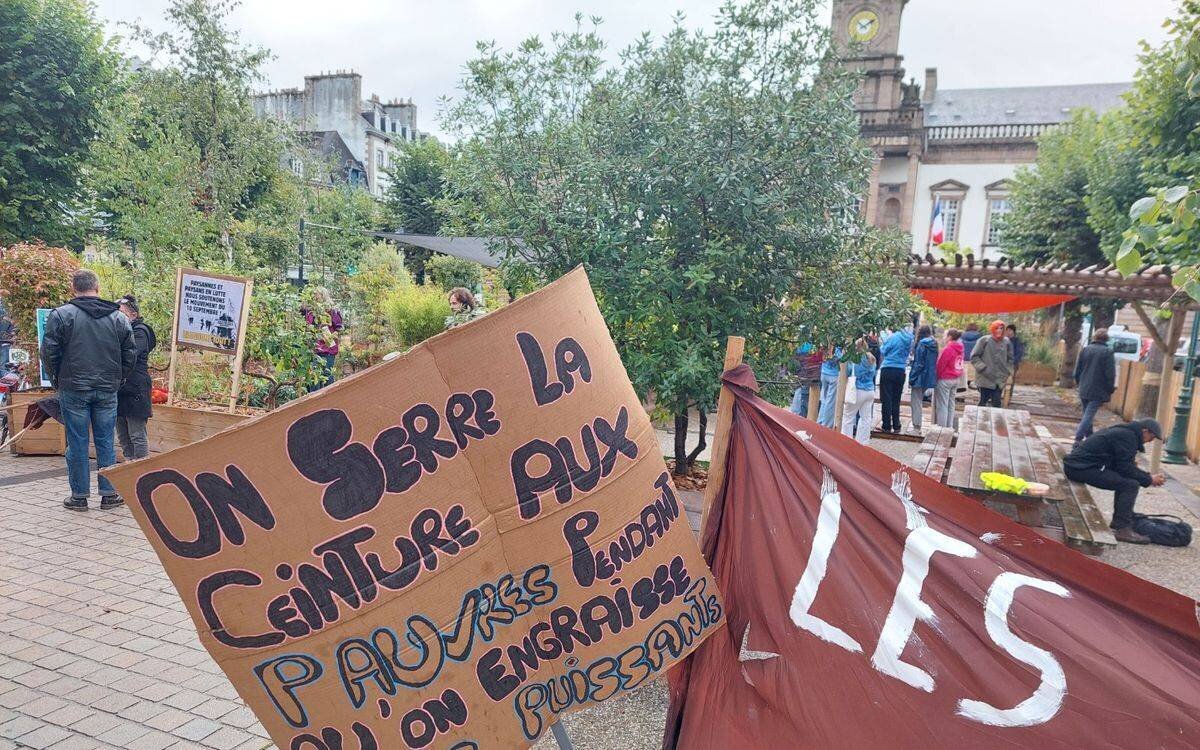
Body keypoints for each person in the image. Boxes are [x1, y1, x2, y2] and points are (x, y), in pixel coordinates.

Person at [41, 270, 135, 511]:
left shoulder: (61, 315)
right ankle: (109, 493)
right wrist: (119, 379)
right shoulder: (119, 318)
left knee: (77, 441)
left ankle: (79, 496)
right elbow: (130, 353)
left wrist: (57, 380)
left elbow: (49, 352)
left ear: (74, 288)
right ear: (98, 287)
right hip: (106, 388)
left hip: (73, 387)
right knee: (105, 440)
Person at [1063, 419, 1166, 544]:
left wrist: (1145, 475)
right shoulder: (1128, 437)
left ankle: (1123, 520)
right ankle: (1122, 528)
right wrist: (1149, 479)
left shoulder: (1125, 432)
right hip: (1080, 468)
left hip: (1078, 466)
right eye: (1152, 437)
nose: (1150, 441)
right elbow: (1125, 468)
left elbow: (1122, 465)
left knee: (1128, 482)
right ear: (1145, 431)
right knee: (1130, 485)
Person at [115, 296, 157, 461]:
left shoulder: (141, 332)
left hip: (136, 390)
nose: (117, 317)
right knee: (123, 435)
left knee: (137, 434)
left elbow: (131, 353)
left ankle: (142, 471)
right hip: (120, 389)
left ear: (133, 314)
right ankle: (129, 467)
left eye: (121, 313)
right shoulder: (118, 332)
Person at [1073, 328, 1117, 446]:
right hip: (1098, 390)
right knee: (1089, 414)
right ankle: (1078, 438)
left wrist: (1079, 382)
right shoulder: (1108, 352)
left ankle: (1090, 438)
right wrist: (1110, 388)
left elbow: (1077, 370)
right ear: (1106, 339)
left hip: (1084, 387)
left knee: (1087, 413)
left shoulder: (1085, 350)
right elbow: (1110, 374)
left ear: (1094, 337)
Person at [302, 287, 343, 391]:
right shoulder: (310, 312)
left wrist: (331, 337)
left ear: (323, 296)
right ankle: (313, 401)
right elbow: (307, 326)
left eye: (317, 294)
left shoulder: (332, 310)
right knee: (313, 376)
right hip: (314, 347)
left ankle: (329, 399)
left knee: (327, 375)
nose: (315, 297)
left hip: (328, 347)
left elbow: (339, 327)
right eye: (314, 295)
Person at [878, 325, 913, 434]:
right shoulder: (909, 338)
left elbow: (883, 350)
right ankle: (897, 425)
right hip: (900, 369)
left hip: (888, 368)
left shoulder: (892, 337)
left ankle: (886, 425)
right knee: (896, 399)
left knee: (886, 398)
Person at [841, 339, 877, 445]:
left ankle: (845, 442)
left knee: (848, 417)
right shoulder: (871, 358)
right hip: (870, 391)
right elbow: (874, 373)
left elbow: (847, 372)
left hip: (857, 390)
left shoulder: (854, 360)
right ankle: (862, 443)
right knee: (866, 418)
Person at [970, 320, 1013, 407]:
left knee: (996, 402)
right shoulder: (984, 340)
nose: (999, 330)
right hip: (984, 378)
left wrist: (1007, 371)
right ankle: (980, 419)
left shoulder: (1006, 342)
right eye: (996, 328)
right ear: (993, 329)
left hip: (999, 379)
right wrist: (983, 368)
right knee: (983, 401)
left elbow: (1010, 359)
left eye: (1001, 328)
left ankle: (996, 419)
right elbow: (974, 357)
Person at [907, 325, 938, 434]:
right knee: (919, 401)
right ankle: (918, 426)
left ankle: (916, 427)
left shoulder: (922, 344)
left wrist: (911, 378)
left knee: (916, 402)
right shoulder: (934, 344)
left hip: (919, 378)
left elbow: (918, 364)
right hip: (929, 377)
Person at [934, 329, 964, 427]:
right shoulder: (960, 349)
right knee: (951, 405)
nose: (943, 337)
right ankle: (949, 426)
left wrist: (936, 377)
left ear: (950, 337)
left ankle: (942, 429)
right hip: (955, 379)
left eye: (945, 335)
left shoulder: (948, 349)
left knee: (942, 405)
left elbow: (940, 365)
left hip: (945, 379)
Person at [789, 343, 824, 418]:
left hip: (807, 376)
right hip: (811, 376)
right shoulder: (816, 345)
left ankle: (797, 418)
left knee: (802, 397)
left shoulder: (800, 346)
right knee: (803, 398)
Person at [816, 346, 842, 429]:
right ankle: (826, 425)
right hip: (834, 375)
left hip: (824, 372)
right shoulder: (838, 347)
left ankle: (820, 421)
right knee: (830, 402)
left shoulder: (825, 343)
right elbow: (841, 359)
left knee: (824, 400)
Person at [1005, 323, 1025, 401]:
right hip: (1003, 363)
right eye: (1007, 330)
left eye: (1010, 330)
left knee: (1010, 380)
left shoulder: (1017, 341)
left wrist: (1012, 361)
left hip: (1013, 364)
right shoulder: (1004, 340)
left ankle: (1009, 396)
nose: (1008, 332)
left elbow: (1019, 353)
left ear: (1013, 331)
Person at [961, 322, 982, 388]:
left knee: (964, 377)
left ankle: (964, 387)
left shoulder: (962, 336)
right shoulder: (980, 337)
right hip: (975, 361)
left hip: (964, 361)